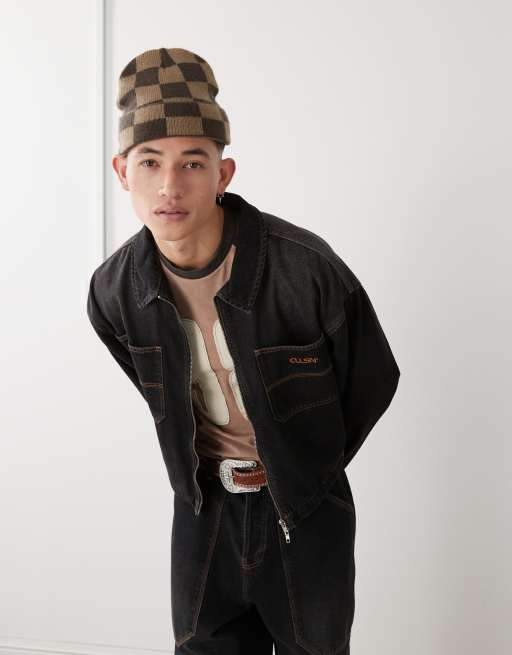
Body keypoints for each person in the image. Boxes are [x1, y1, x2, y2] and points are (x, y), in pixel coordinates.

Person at [87, 46, 401, 655]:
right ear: (123, 171)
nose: (170, 186)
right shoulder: (115, 290)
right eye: (150, 162)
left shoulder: (305, 269)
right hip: (202, 506)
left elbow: (372, 380)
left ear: (223, 174)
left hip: (305, 507)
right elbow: (156, 389)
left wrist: (305, 467)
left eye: (193, 162)